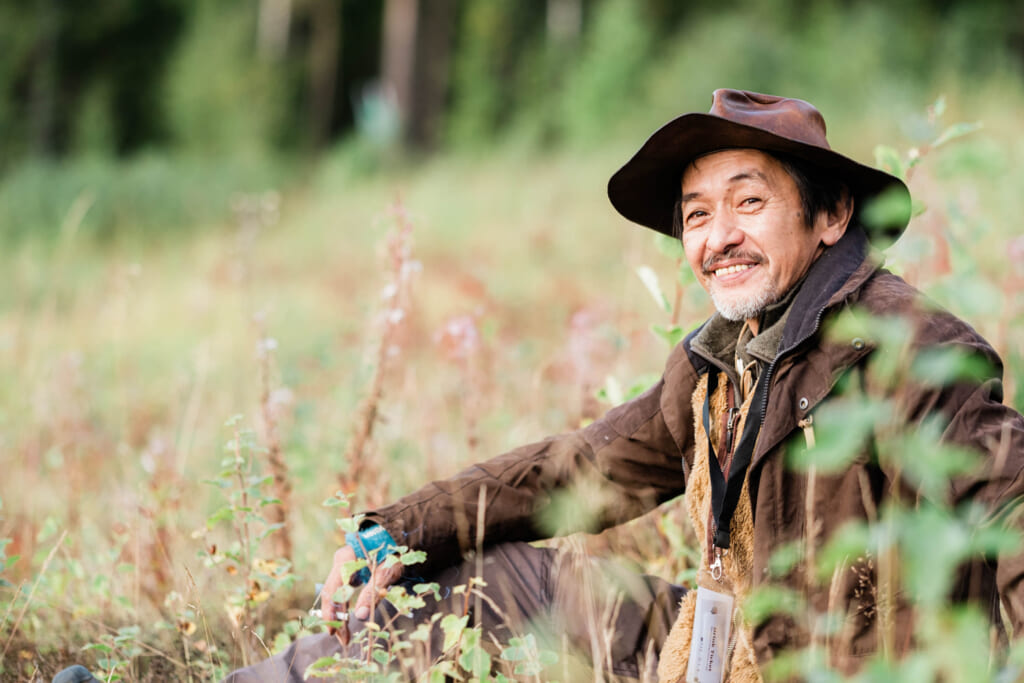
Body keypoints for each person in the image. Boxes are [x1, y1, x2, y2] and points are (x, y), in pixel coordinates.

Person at [219, 89, 1024, 681]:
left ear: (833, 215)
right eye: (698, 215)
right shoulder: (720, 363)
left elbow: (1013, 513)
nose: (720, 238)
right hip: (725, 653)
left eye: (750, 201)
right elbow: (577, 472)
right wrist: (391, 532)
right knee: (469, 582)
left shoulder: (910, 349)